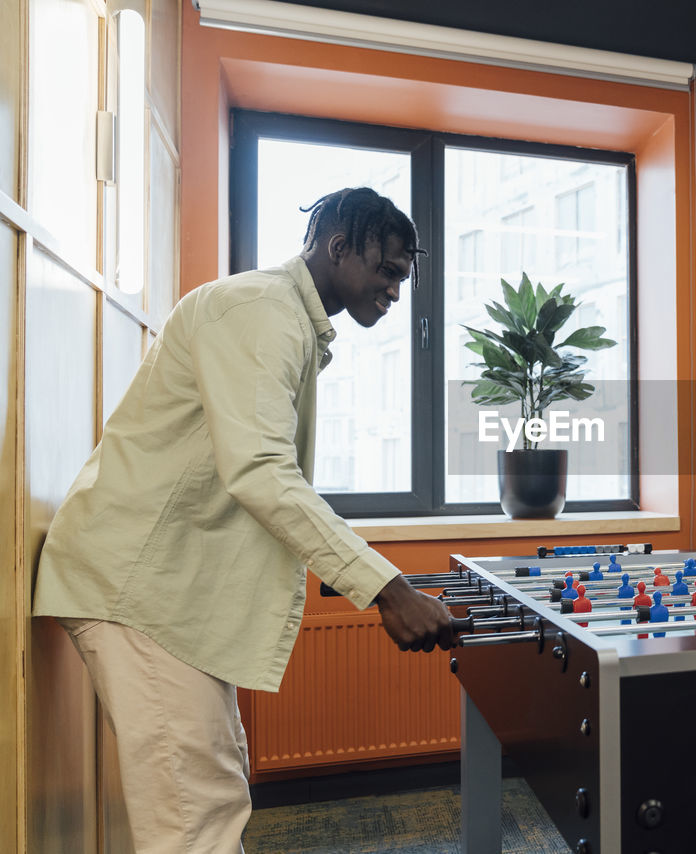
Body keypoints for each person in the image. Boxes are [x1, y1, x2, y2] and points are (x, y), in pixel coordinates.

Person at [32, 187, 455, 854]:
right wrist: (386, 588)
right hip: (138, 590)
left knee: (214, 792)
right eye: (388, 271)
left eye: (402, 278)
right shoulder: (262, 311)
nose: (396, 292)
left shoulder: (283, 318)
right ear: (337, 247)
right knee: (195, 822)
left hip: (163, 593)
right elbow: (260, 469)